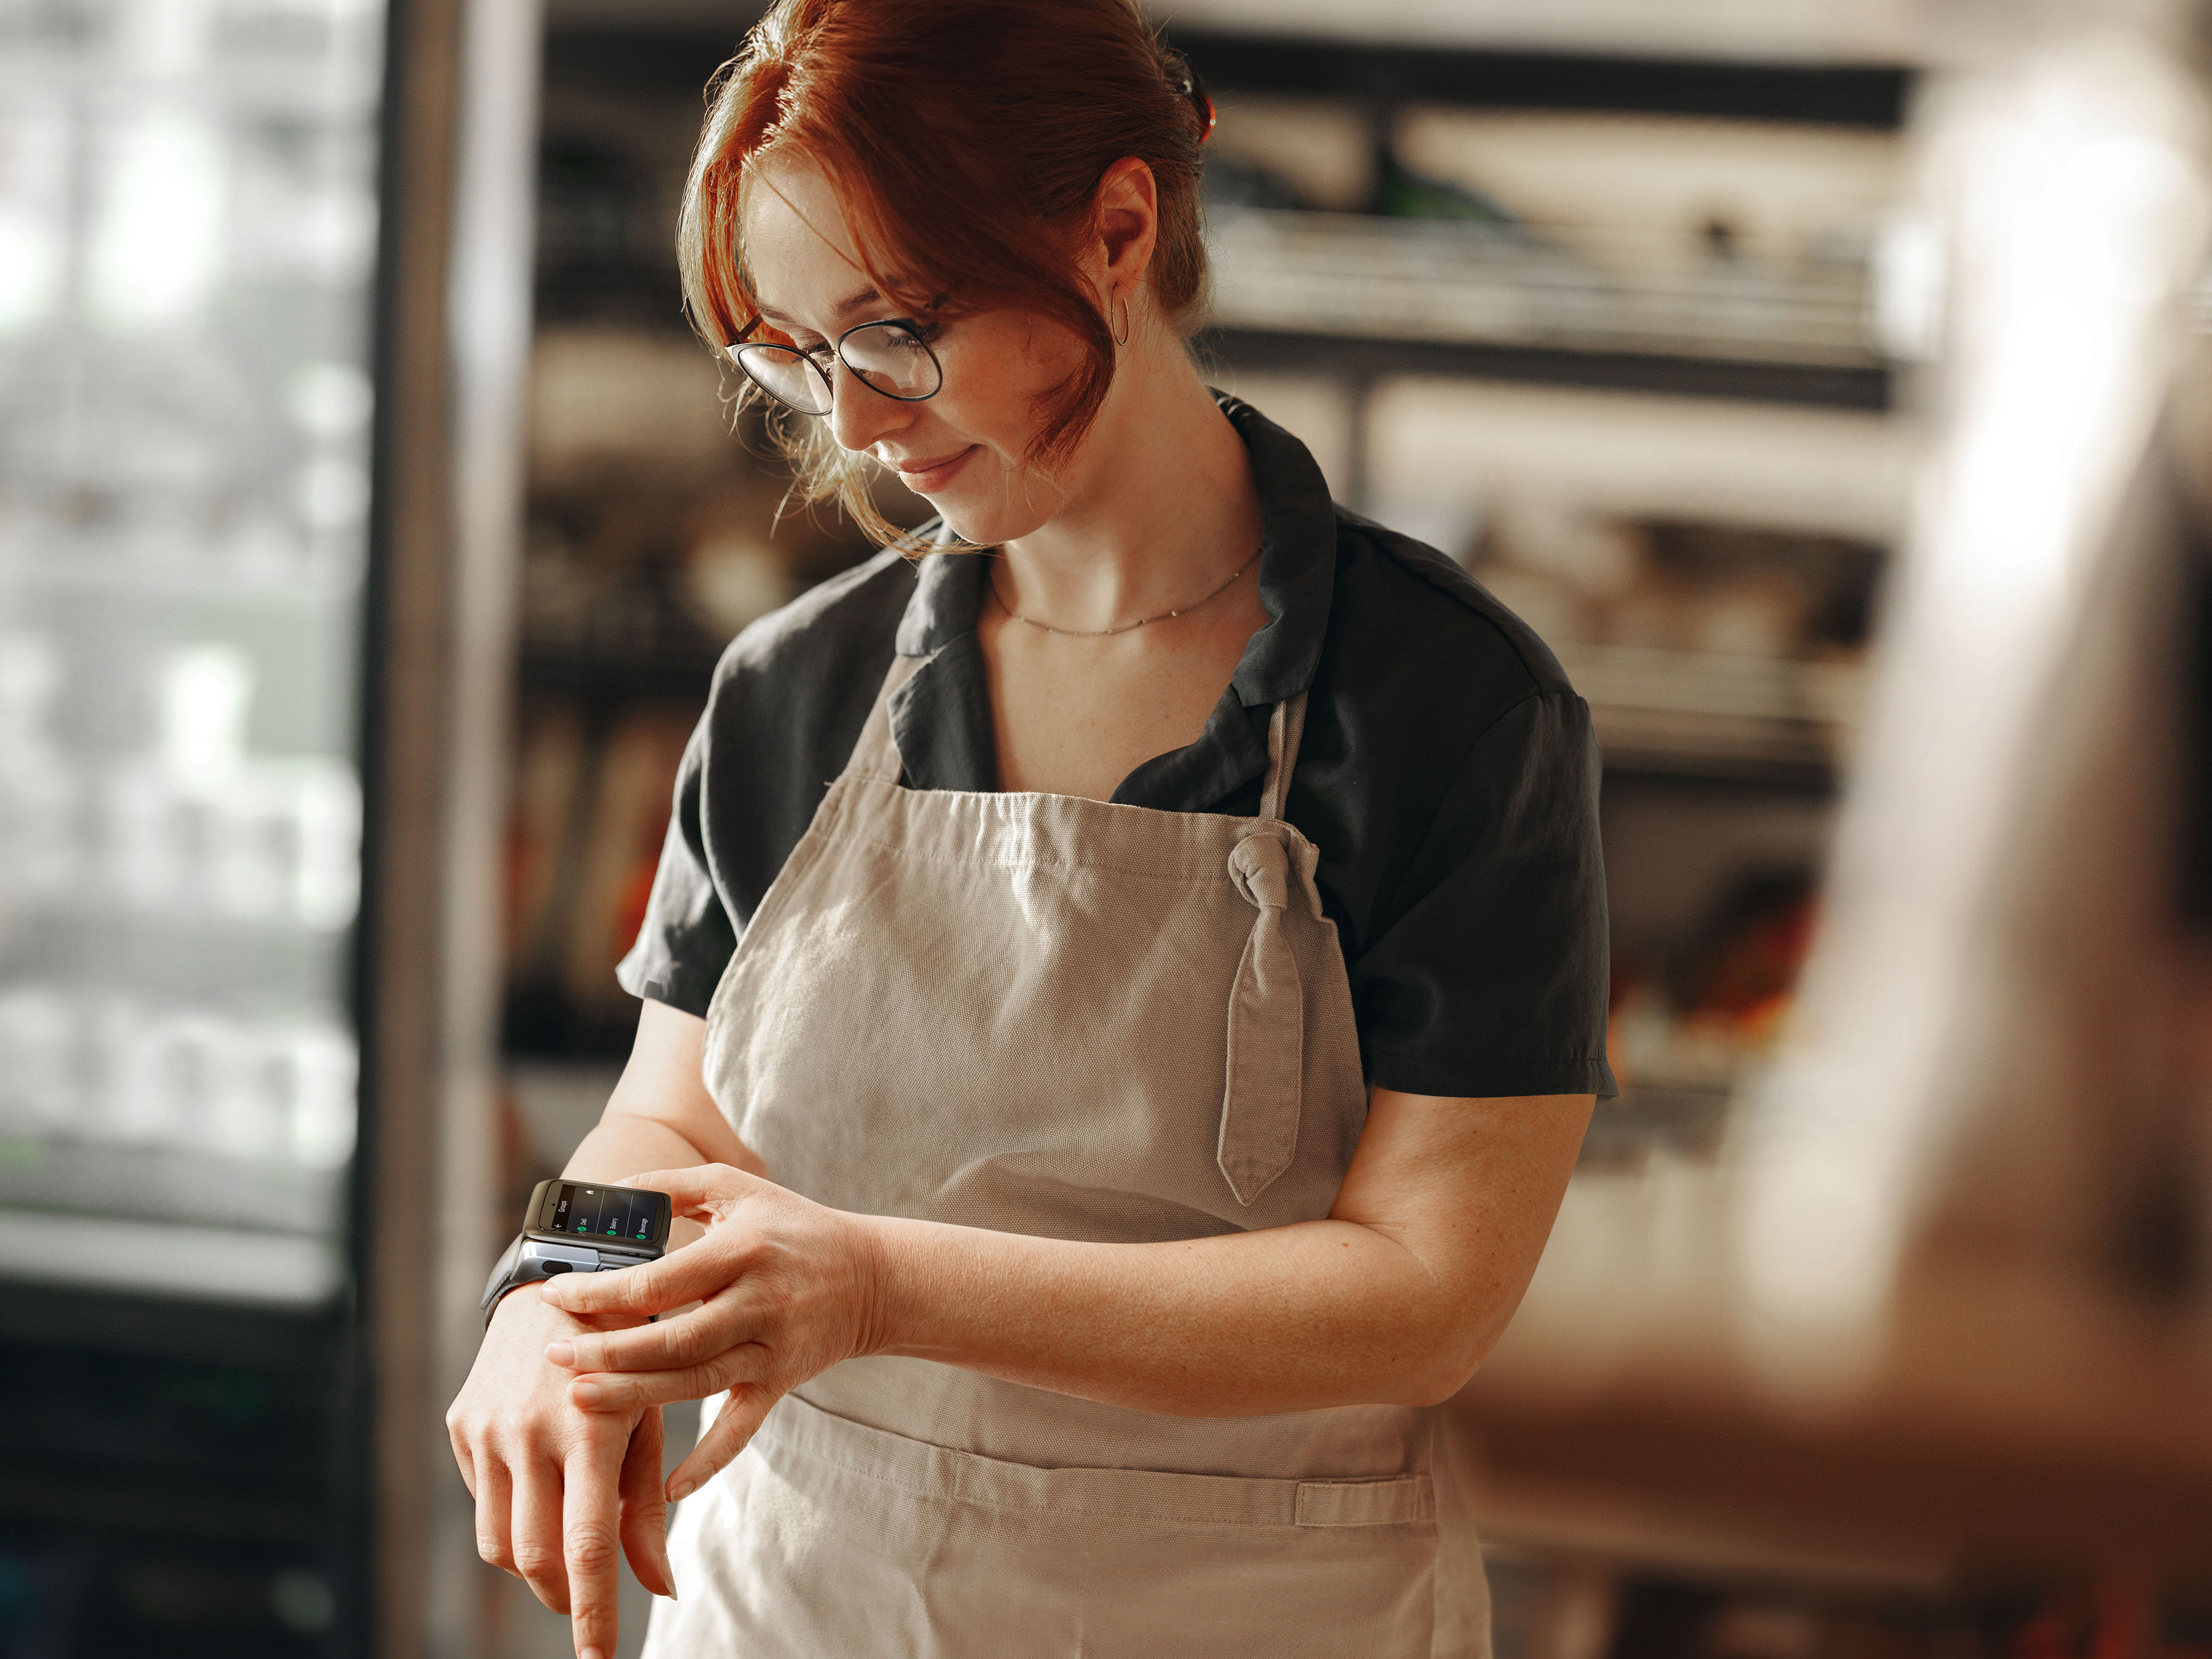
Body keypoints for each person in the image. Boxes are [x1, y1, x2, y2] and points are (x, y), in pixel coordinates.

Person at [445, 1, 1615, 1653]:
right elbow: (671, 1128)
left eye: (895, 330)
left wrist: (872, 1284)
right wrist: (547, 1290)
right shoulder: (797, 685)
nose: (852, 419)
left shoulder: (1452, 707)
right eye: (796, 353)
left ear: (1118, 228)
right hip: (802, 1605)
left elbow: (1427, 1294)